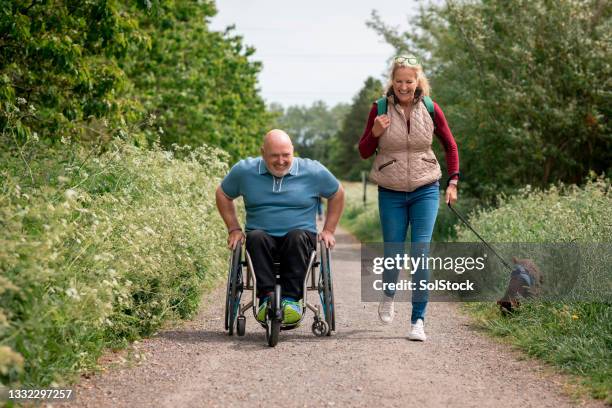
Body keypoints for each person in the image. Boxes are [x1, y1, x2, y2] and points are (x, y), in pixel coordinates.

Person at [359, 54, 460, 341]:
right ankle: (389, 293)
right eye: (399, 81)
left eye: (409, 81)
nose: (404, 86)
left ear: (418, 82)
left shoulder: (430, 108)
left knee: (420, 253)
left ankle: (418, 320)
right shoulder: (378, 108)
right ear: (392, 81)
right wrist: (375, 132)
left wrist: (453, 181)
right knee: (393, 253)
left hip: (425, 187)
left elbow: (450, 146)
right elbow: (364, 151)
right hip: (390, 190)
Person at [216, 129, 344, 325]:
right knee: (256, 237)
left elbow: (337, 193)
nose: (281, 160)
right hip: (261, 238)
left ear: (293, 151)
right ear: (262, 152)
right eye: (274, 155)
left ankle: (291, 300)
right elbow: (223, 194)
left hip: (300, 238)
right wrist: (233, 228)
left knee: (296, 237)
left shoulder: (312, 170)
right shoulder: (245, 171)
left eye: (286, 155)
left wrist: (329, 230)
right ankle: (266, 298)